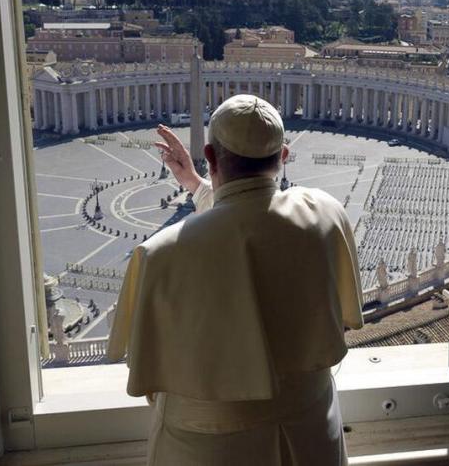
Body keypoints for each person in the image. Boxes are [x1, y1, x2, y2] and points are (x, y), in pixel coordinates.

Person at [108, 95, 364, 465]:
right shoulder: (326, 213)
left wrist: (201, 184)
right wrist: (196, 185)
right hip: (311, 433)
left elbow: (149, 376)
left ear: (210, 157)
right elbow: (256, 216)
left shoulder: (158, 255)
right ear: (284, 156)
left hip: (206, 448)